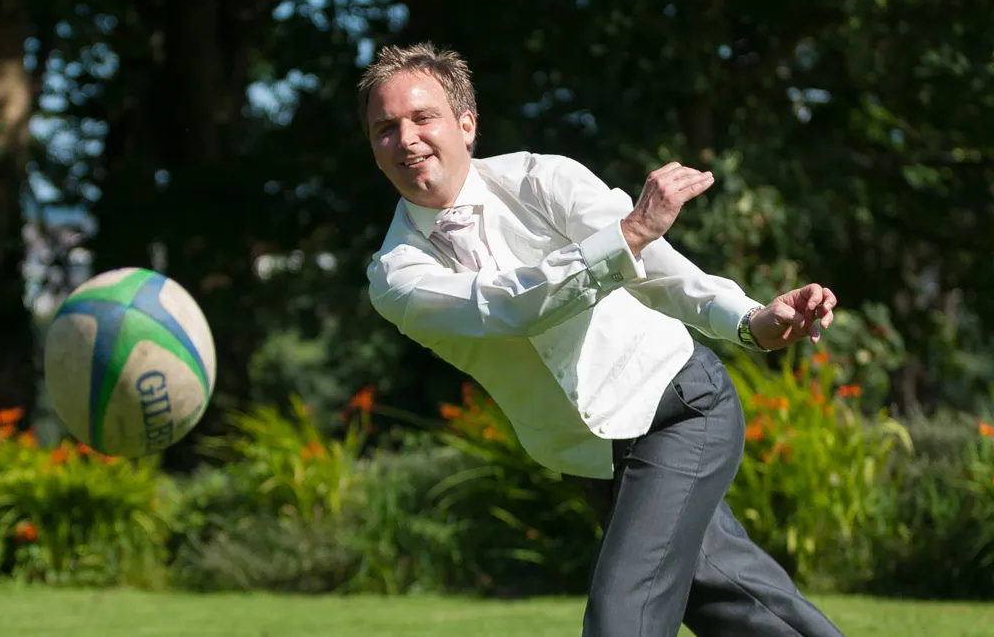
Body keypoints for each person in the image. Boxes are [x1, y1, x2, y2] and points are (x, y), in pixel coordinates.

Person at [359, 41, 846, 637]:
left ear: (466, 124)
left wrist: (751, 322)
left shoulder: (544, 179)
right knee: (738, 603)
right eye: (385, 128)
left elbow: (661, 272)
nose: (405, 138)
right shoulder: (396, 275)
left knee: (623, 619)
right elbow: (507, 306)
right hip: (591, 459)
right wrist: (629, 233)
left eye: (422, 117)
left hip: (680, 407)